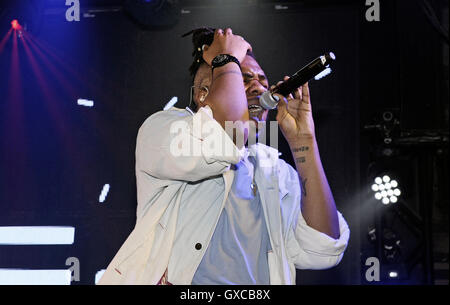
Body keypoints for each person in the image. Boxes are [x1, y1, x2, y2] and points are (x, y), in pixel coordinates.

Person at [98, 27, 350, 285]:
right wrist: (225, 58)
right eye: (242, 77)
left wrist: (303, 141)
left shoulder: (272, 167)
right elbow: (223, 139)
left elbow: (323, 248)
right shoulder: (165, 130)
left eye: (263, 81)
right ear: (202, 94)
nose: (259, 88)